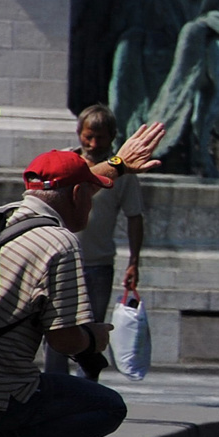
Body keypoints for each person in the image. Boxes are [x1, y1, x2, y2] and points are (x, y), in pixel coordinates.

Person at [0, 152, 127, 437]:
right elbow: (63, 341)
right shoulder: (59, 243)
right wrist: (92, 339)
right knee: (106, 406)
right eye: (90, 196)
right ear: (77, 195)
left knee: (3, 366)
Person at [68, 105, 144, 322]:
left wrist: (134, 262)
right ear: (79, 133)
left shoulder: (124, 173)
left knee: (92, 332)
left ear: (112, 137)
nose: (93, 144)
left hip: (98, 266)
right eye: (88, 137)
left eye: (100, 138)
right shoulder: (65, 163)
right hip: (62, 262)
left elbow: (135, 216)